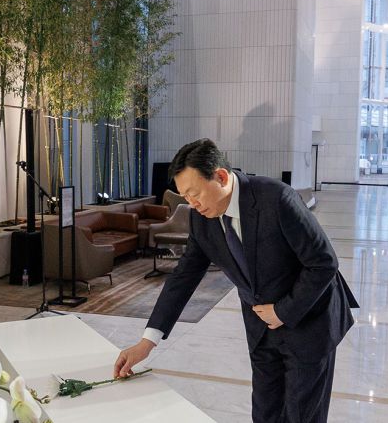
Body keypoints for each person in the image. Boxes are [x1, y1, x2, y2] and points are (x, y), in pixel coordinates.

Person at [113, 139, 358, 422]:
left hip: (309, 321)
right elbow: (183, 277)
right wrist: (148, 342)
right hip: (261, 328)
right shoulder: (201, 219)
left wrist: (282, 311)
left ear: (220, 177)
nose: (192, 203)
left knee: (301, 414)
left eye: (194, 193)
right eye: (184, 196)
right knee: (265, 413)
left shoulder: (276, 198)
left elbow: (323, 262)